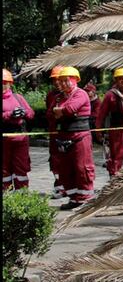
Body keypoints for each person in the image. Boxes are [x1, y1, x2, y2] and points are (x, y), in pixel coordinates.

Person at [51, 66, 95, 209]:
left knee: (82, 168)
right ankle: (74, 198)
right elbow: (50, 113)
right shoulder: (58, 97)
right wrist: (60, 111)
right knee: (65, 169)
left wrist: (61, 111)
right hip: (64, 136)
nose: (63, 84)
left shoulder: (80, 94)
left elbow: (70, 109)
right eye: (61, 81)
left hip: (80, 136)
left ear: (75, 80)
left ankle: (85, 198)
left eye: (66, 80)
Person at [2, 69, 35, 190]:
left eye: (5, 83)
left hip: (20, 138)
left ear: (10, 84)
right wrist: (10, 114)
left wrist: (24, 112)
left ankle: (22, 194)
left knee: (21, 167)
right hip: (4, 139)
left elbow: (31, 114)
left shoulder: (18, 98)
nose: (3, 85)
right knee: (4, 168)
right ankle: (6, 195)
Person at [45, 65, 65, 198]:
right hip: (54, 132)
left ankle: (70, 185)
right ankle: (59, 186)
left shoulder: (74, 94)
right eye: (54, 80)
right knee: (55, 159)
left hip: (68, 132)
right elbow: (49, 114)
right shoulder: (51, 95)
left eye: (59, 79)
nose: (57, 82)